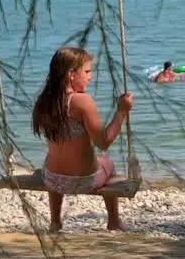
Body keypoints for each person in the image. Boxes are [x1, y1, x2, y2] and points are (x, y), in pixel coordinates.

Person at [32, 47, 133, 231]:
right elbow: (103, 142)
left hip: (52, 179)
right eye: (87, 71)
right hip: (84, 181)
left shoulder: (44, 100)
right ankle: (114, 221)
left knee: (54, 159)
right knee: (107, 162)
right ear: (71, 74)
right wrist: (121, 111)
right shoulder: (81, 101)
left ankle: (55, 222)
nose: (90, 76)